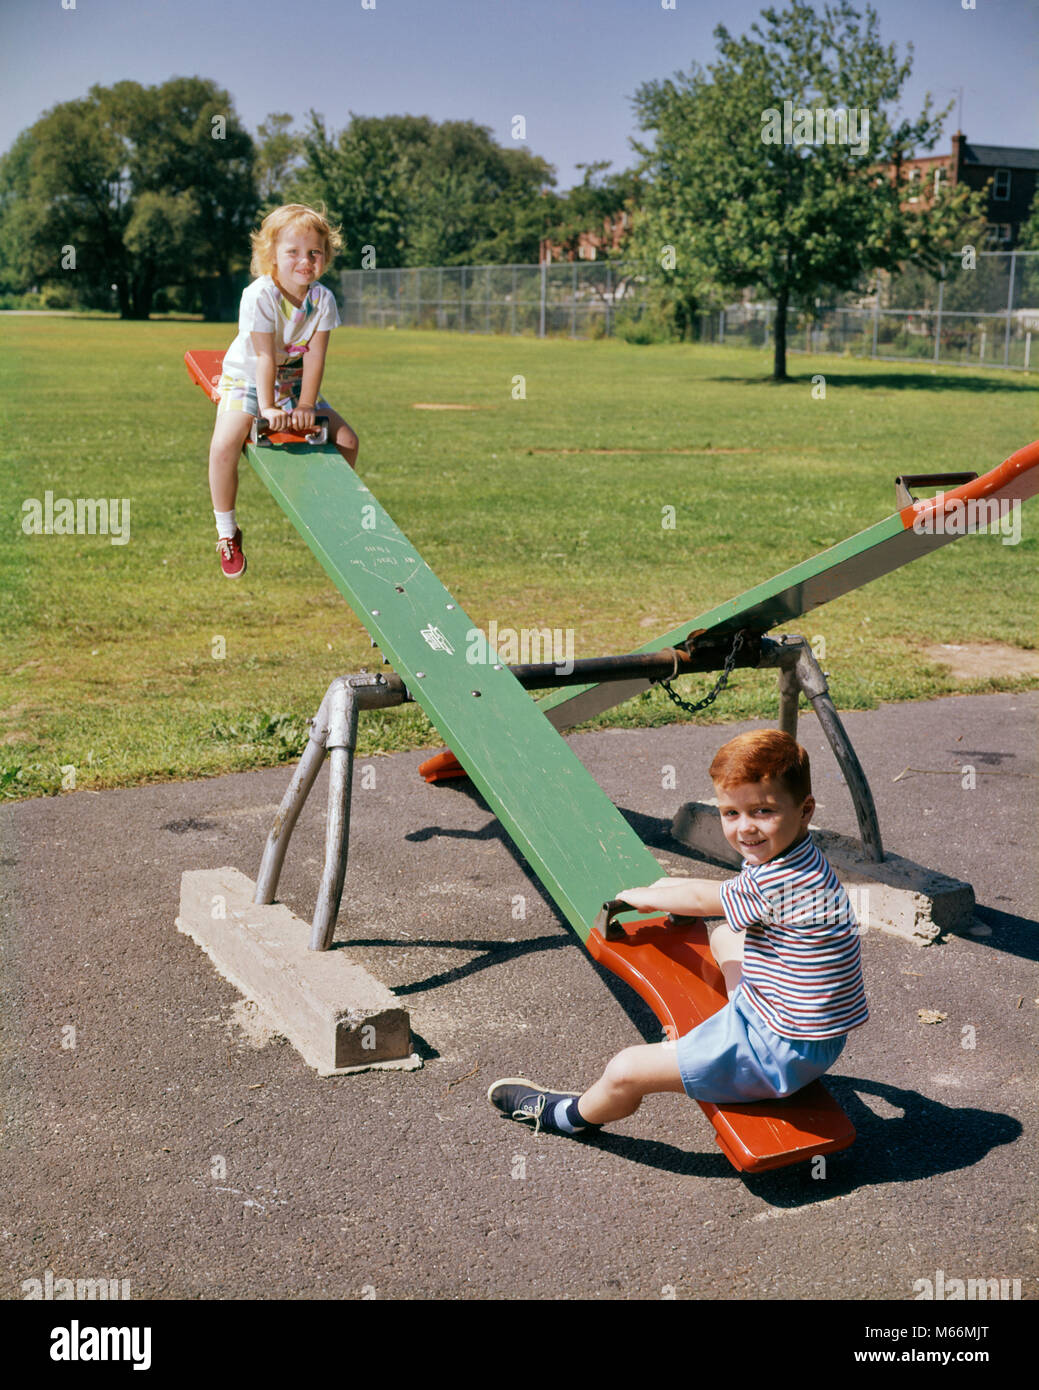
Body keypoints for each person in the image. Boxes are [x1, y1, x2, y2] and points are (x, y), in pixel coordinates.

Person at [488, 729, 868, 1138]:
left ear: (806, 809)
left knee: (625, 1069)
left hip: (774, 1055)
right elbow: (724, 898)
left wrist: (651, 898)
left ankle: (566, 1117)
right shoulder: (800, 857)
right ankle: (718, 1034)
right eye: (731, 813)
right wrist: (669, 890)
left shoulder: (781, 882)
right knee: (724, 937)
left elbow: (707, 899)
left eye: (763, 812)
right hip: (815, 1038)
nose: (745, 829)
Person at [208, 203, 359, 578]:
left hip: (291, 380)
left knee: (348, 441)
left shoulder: (322, 299)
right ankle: (227, 533)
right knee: (226, 442)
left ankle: (326, 517)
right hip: (248, 376)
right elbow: (262, 356)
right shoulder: (259, 295)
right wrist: (270, 407)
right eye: (293, 252)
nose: (305, 261)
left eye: (314, 252)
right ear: (271, 256)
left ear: (325, 256)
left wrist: (306, 403)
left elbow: (316, 359)